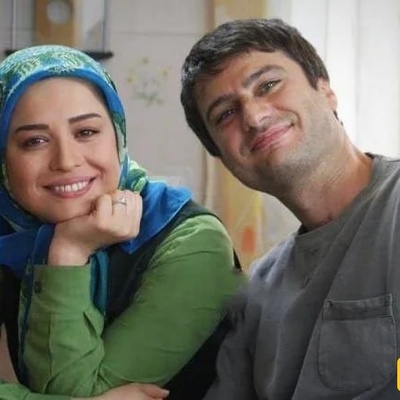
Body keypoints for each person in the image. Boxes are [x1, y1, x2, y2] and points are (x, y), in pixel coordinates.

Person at [0, 44, 244, 400]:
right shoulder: (11, 235)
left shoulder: (194, 242)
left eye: (86, 132)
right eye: (34, 141)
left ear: (117, 136)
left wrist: (68, 252)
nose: (66, 160)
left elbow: (77, 392)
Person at [180, 17, 399, 399]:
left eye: (268, 85)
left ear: (325, 89)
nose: (254, 117)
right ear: (221, 156)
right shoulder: (257, 293)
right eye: (225, 114)